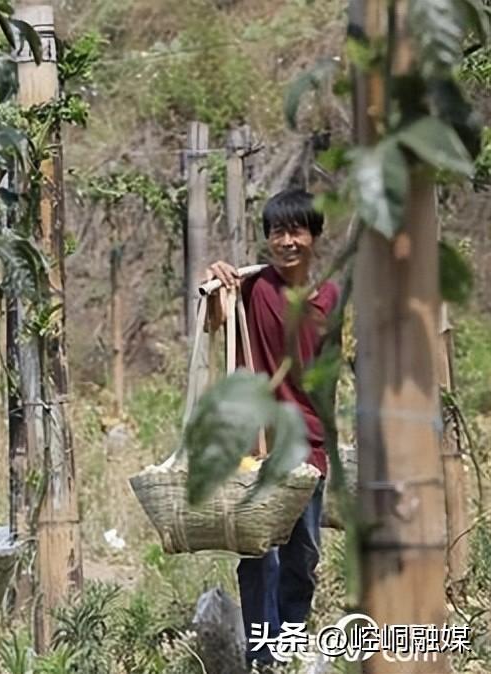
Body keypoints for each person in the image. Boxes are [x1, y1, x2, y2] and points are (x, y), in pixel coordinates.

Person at [203, 188, 339, 669]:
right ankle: (263, 657)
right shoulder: (253, 286)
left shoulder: (329, 298)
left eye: (297, 230)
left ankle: (291, 646)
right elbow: (215, 319)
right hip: (256, 449)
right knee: (262, 556)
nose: (287, 241)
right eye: (277, 232)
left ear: (314, 236)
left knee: (302, 556)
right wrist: (219, 280)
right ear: (267, 239)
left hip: (309, 446)